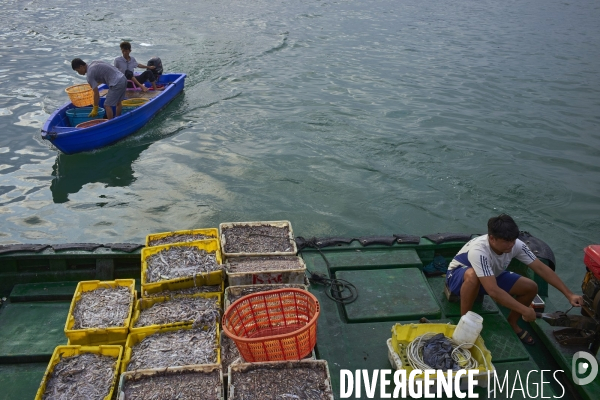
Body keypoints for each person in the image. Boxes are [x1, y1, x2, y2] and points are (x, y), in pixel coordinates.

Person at [446, 214, 583, 345]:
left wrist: (569, 294)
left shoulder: (516, 245)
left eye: (512, 240)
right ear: (492, 238)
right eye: (506, 241)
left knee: (531, 287)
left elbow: (541, 268)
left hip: (490, 276)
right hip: (458, 277)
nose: (511, 245)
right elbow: (493, 291)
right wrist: (525, 310)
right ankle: (464, 323)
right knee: (473, 276)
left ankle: (512, 322)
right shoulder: (479, 251)